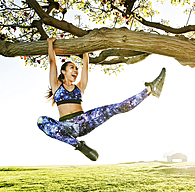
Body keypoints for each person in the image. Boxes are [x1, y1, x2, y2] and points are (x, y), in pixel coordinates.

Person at [37, 37, 166, 161]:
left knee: (115, 108)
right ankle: (78, 145)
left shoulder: (80, 87)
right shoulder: (56, 86)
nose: (76, 70)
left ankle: (149, 90)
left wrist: (85, 51)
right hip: (65, 127)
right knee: (41, 121)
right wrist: (50, 44)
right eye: (72, 67)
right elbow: (52, 62)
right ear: (63, 71)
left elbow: (85, 65)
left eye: (76, 68)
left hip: (84, 121)